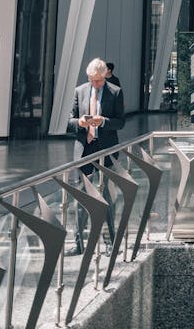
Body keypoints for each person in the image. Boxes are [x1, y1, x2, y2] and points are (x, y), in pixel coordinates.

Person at [68, 58, 125, 253]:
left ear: (105, 76)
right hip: (84, 148)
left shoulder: (115, 92)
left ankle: (110, 243)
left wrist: (103, 122)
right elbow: (69, 121)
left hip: (106, 149)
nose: (95, 84)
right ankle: (79, 244)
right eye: (92, 80)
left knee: (107, 197)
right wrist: (80, 123)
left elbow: (121, 122)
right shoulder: (80, 91)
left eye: (99, 81)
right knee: (81, 197)